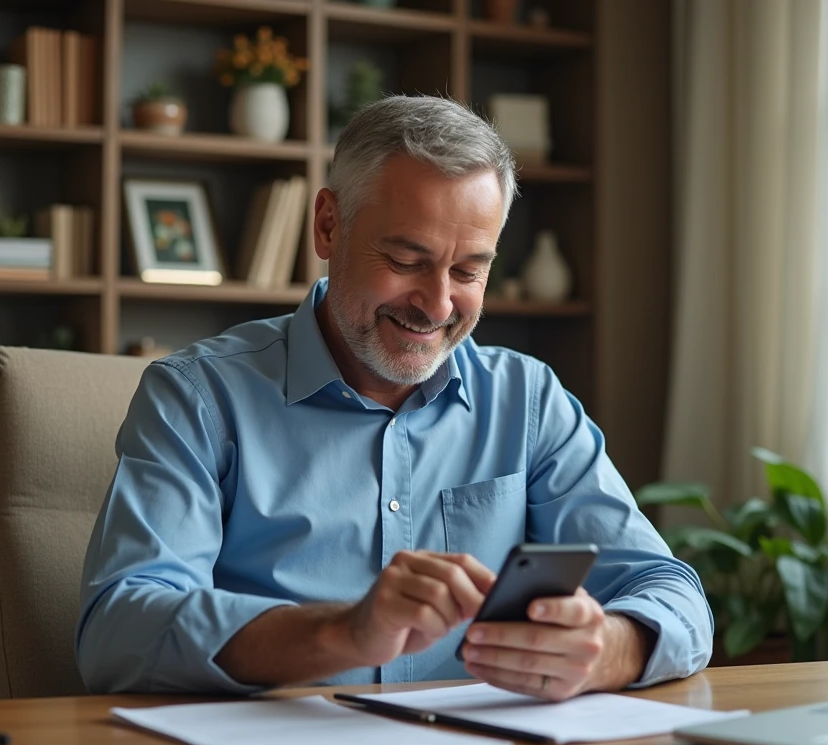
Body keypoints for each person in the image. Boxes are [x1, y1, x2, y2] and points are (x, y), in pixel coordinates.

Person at [76, 96, 712, 700]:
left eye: (468, 271)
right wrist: (343, 633)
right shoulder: (198, 397)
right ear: (329, 225)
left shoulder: (529, 402)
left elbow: (670, 592)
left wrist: (606, 649)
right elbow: (119, 629)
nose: (437, 305)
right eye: (407, 260)